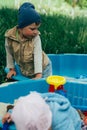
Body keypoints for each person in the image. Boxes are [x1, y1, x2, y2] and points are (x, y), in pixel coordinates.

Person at [5, 2, 52, 80]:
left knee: (43, 88)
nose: (36, 32)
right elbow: (9, 54)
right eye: (32, 29)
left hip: (43, 69)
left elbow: (38, 57)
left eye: (37, 29)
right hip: (27, 70)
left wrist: (38, 75)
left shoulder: (36, 38)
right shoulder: (10, 37)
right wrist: (12, 69)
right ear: (21, 27)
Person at [2, 92, 81, 130]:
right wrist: (12, 114)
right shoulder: (35, 101)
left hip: (75, 125)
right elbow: (23, 108)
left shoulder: (60, 120)